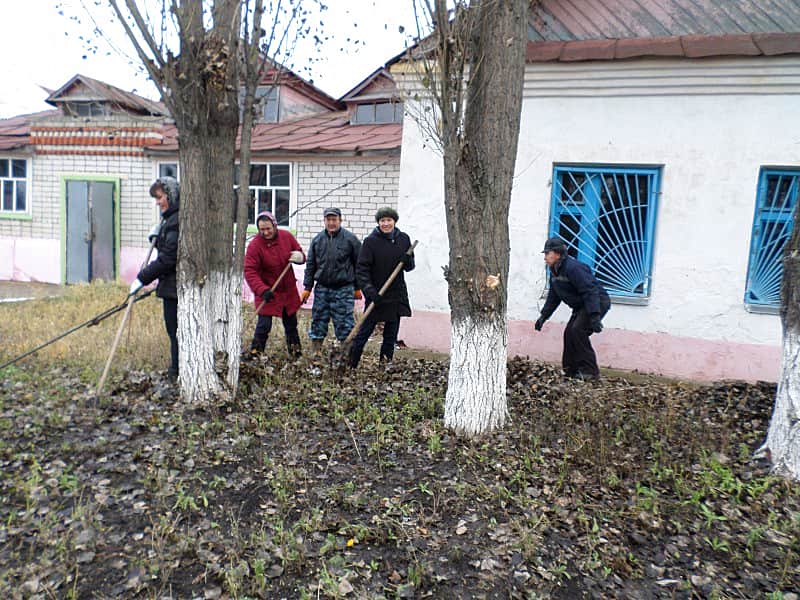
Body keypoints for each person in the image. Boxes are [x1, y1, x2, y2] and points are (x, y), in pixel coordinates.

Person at [534, 236, 611, 381]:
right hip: (582, 306)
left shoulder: (573, 268)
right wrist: (543, 316)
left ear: (557, 254)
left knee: (578, 331)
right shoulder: (555, 271)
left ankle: (590, 372)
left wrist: (594, 316)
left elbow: (590, 291)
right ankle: (571, 371)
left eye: (547, 253)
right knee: (569, 333)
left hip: (597, 302)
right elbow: (554, 297)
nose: (545, 257)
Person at [349, 207, 414, 369]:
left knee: (390, 335)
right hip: (377, 294)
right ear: (378, 223)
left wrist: (408, 261)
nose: (386, 224)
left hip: (395, 294)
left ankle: (384, 367)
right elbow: (361, 270)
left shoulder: (403, 239)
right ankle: (350, 365)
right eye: (382, 220)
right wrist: (370, 292)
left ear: (394, 221)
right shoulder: (370, 242)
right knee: (364, 333)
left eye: (389, 220)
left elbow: (409, 267)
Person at [129, 176, 180, 380]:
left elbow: (169, 258)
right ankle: (176, 370)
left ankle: (177, 372)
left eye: (160, 197)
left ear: (171, 195)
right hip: (171, 286)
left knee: (176, 332)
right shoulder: (170, 219)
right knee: (173, 331)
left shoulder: (176, 220)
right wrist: (156, 239)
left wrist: (142, 278)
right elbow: (168, 249)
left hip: (176, 288)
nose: (158, 203)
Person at [244, 211, 306, 358]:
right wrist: (262, 289)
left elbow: (300, 253)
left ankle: (296, 354)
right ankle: (255, 354)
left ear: (274, 225)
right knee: (264, 326)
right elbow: (250, 271)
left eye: (268, 229)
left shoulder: (287, 237)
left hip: (287, 291)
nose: (265, 232)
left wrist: (300, 257)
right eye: (262, 229)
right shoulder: (255, 245)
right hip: (267, 291)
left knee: (291, 324)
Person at [301, 207, 362, 354]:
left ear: (340, 220)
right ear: (324, 221)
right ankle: (316, 354)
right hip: (322, 289)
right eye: (328, 220)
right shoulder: (317, 240)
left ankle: (346, 356)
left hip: (343, 289)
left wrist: (357, 287)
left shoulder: (351, 240)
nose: (331, 223)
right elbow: (311, 266)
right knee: (318, 322)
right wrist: (307, 288)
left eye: (334, 219)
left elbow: (359, 265)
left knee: (344, 324)